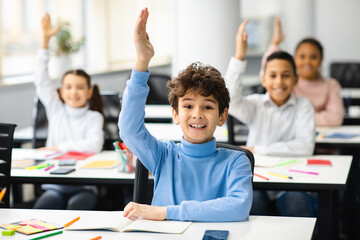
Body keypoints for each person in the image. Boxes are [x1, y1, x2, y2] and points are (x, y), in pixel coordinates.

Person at [119, 8, 252, 221]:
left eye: (207, 107)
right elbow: (129, 129)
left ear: (222, 116)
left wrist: (165, 212)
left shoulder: (236, 161)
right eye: (188, 106)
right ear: (175, 114)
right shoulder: (163, 155)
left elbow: (238, 206)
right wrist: (142, 62)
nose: (197, 114)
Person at [225, 20, 316, 216]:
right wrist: (240, 56)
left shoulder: (304, 106)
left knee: (296, 205)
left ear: (295, 79)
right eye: (273, 75)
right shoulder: (255, 104)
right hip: (258, 177)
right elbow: (229, 99)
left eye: (285, 75)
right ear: (263, 79)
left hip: (293, 179)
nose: (279, 82)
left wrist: (257, 150)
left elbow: (305, 146)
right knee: (252, 205)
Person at [33, 13, 104, 210]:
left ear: (89, 92)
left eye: (80, 87)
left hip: (84, 186)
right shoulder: (56, 111)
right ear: (61, 92)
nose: (74, 92)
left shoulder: (94, 117)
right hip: (55, 186)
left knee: (77, 208)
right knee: (42, 210)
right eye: (69, 87)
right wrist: (45, 41)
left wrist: (58, 148)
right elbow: (41, 80)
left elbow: (93, 145)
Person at [260, 17, 343, 126]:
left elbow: (334, 119)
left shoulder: (331, 85)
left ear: (321, 60)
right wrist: (275, 44)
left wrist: (299, 117)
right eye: (302, 56)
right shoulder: (290, 82)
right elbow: (268, 69)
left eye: (313, 57)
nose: (307, 62)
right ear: (294, 59)